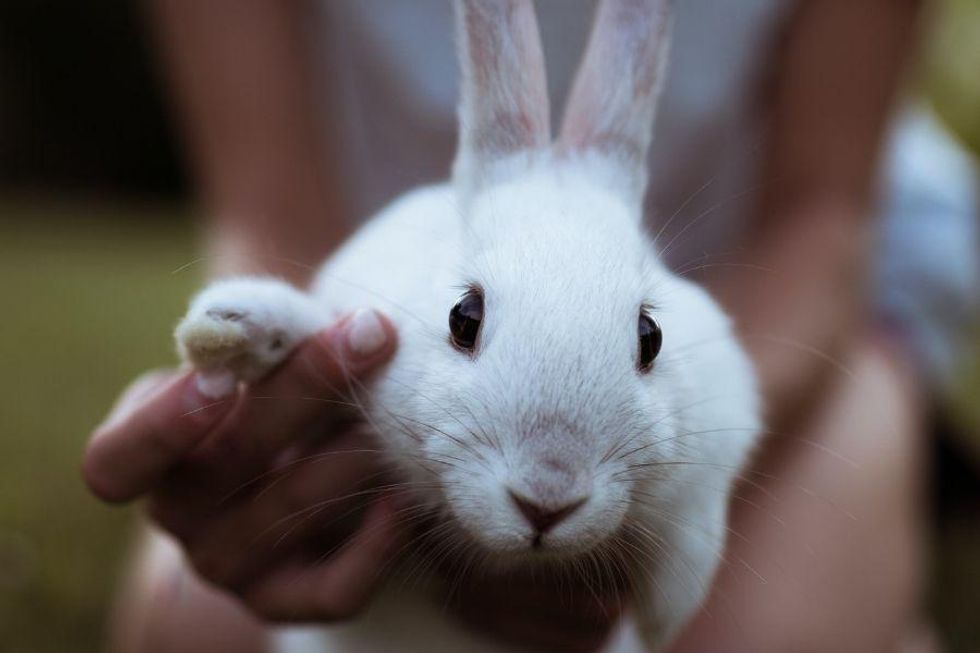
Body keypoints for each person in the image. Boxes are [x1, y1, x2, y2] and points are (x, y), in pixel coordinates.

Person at [83, 0, 977, 651]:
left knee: (771, 634)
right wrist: (266, 387)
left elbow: (820, 217)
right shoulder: (411, 268)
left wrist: (675, 499)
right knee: (196, 626)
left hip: (789, 278)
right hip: (402, 224)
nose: (543, 493)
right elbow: (273, 215)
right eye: (469, 324)